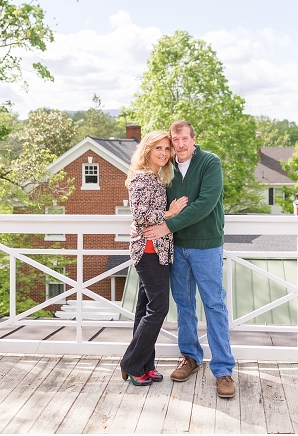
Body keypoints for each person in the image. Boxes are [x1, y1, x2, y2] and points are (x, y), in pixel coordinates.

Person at [142, 120, 236, 398]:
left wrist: (168, 225)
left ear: (194, 139)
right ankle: (190, 357)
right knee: (184, 304)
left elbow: (205, 204)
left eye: (185, 139)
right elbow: (155, 202)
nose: (180, 144)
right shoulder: (166, 168)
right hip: (177, 247)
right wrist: (151, 222)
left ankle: (223, 370)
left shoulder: (210, 162)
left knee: (214, 305)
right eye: (175, 140)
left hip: (206, 246)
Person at [119, 131, 187, 386]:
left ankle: (145, 365)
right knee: (159, 307)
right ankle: (131, 363)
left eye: (167, 149)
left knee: (144, 308)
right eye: (159, 148)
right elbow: (140, 215)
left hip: (159, 250)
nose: (164, 153)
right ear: (147, 149)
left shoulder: (157, 178)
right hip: (148, 250)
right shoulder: (141, 178)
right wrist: (169, 213)